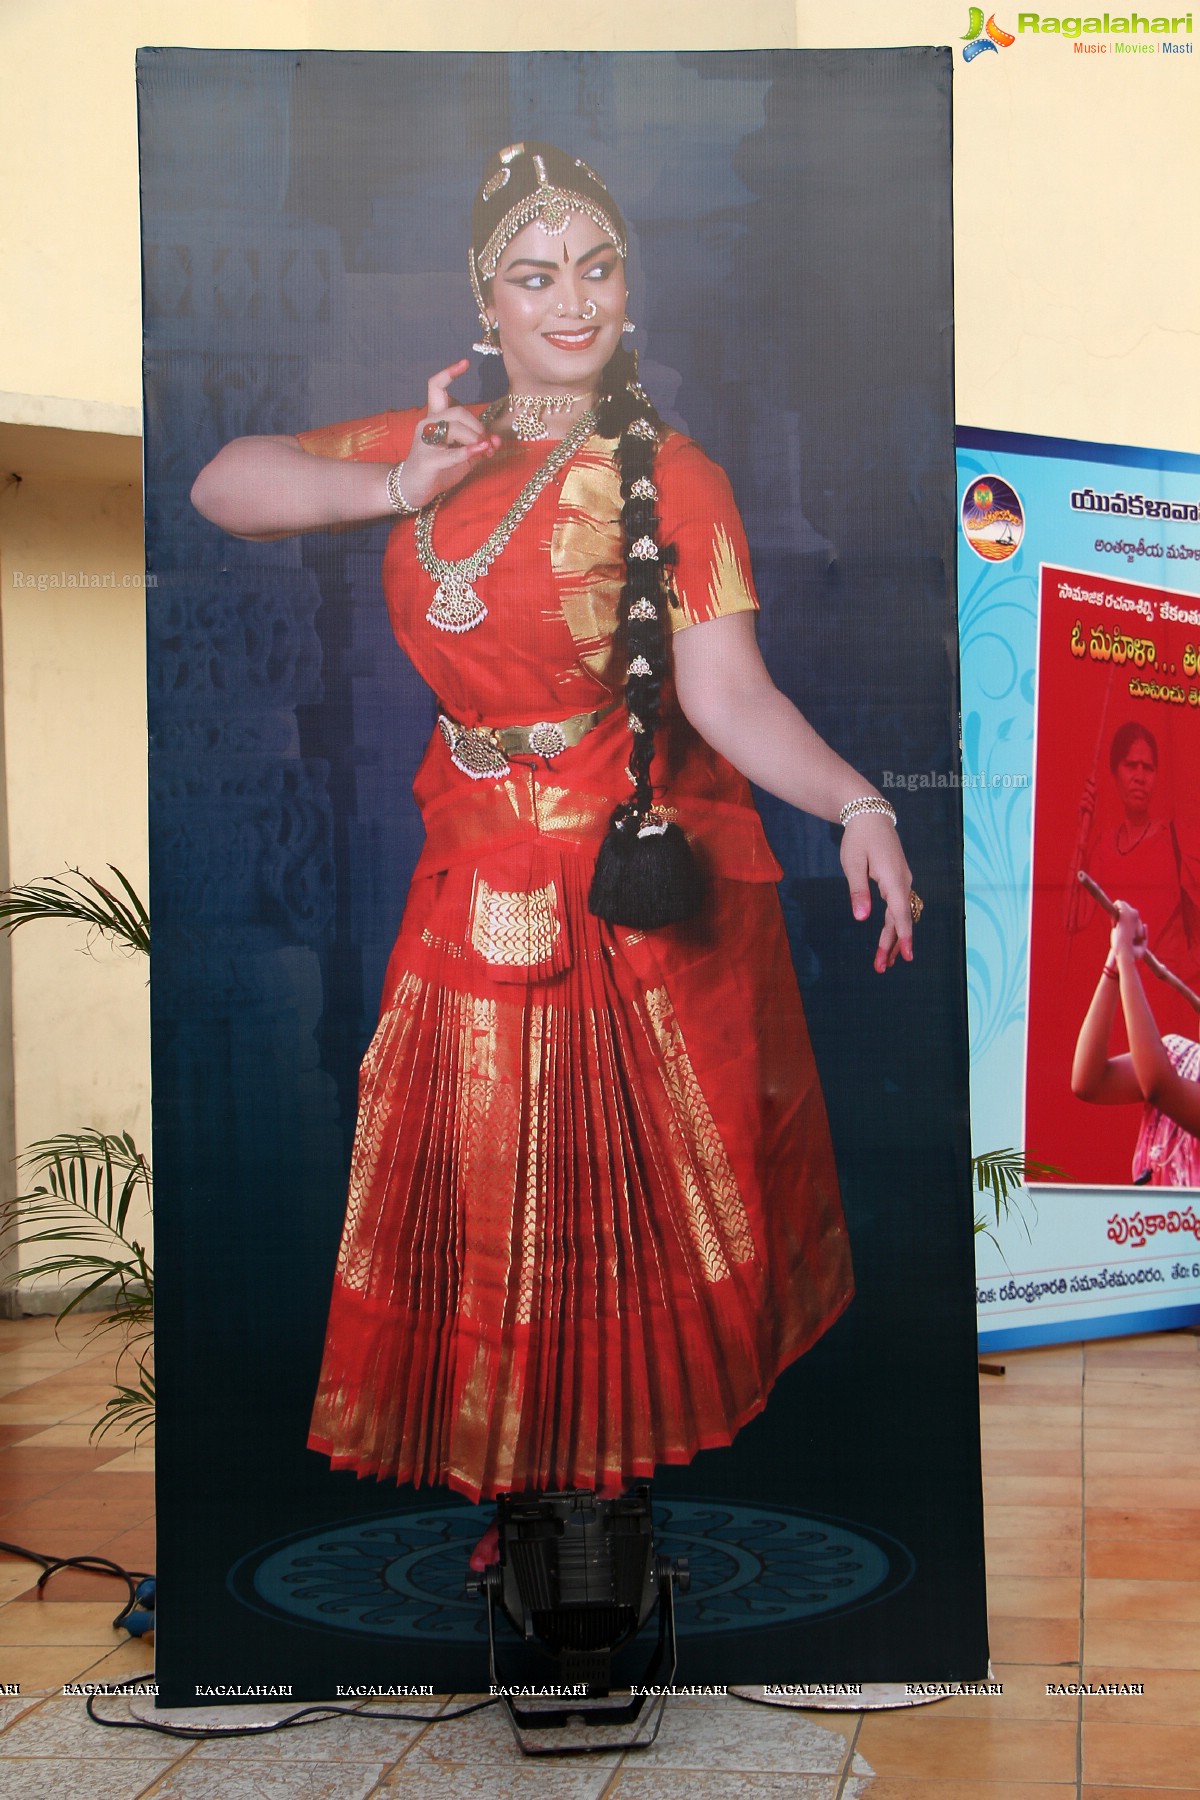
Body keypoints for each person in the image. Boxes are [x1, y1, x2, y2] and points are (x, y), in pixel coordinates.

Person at [191, 142, 917, 1539]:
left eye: (595, 270)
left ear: (628, 291)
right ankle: (516, 1489)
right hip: (469, 870)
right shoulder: (440, 441)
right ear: (488, 302)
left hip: (617, 899)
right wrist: (397, 486)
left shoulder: (679, 479)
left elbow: (730, 694)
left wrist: (859, 806)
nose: (570, 302)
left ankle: (602, 1505)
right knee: (483, 1186)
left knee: (609, 1199)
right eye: (536, 277)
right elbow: (229, 483)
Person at [1071, 901, 1200, 1186]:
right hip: (1147, 1230)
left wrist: (1127, 960)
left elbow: (1159, 1087)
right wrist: (1114, 965)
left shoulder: (1164, 1069)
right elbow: (1089, 1081)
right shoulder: (1179, 1055)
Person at [1067, 722, 1200, 986]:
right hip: (1122, 993)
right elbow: (1074, 919)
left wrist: (1186, 969)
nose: (1140, 776)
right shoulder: (1104, 845)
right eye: (1131, 765)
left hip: (1170, 998)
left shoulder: (1178, 837)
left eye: (1148, 768)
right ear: (1115, 772)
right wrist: (1082, 832)